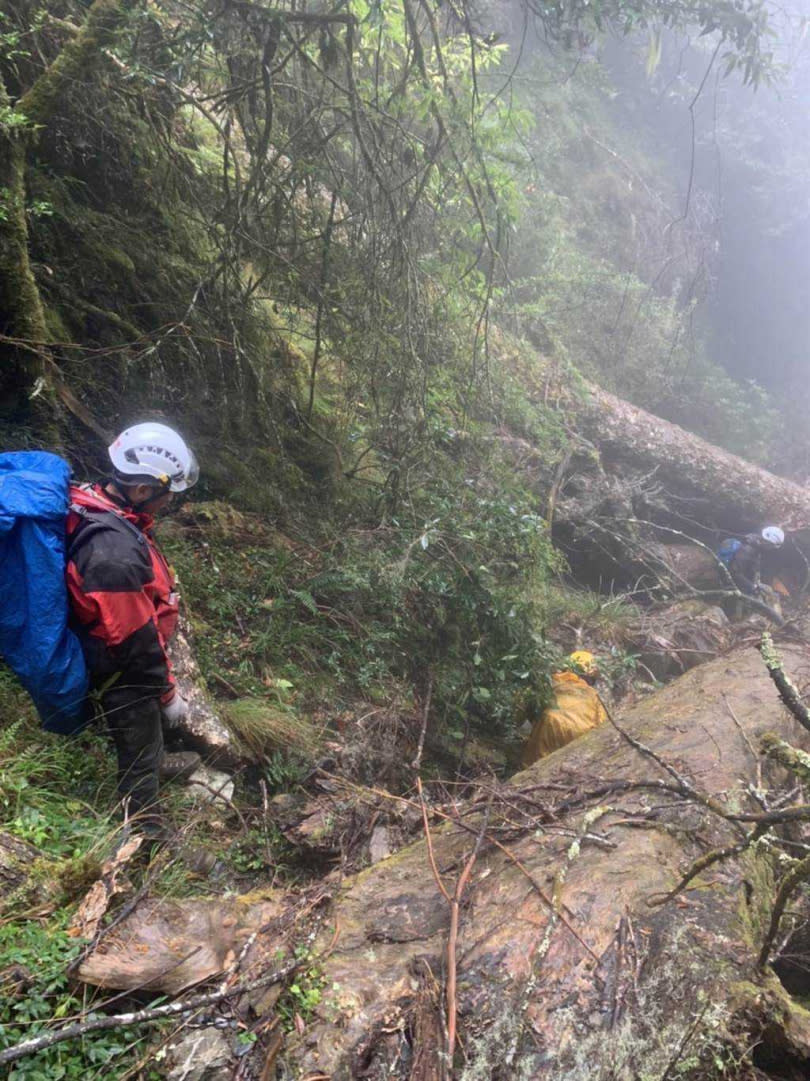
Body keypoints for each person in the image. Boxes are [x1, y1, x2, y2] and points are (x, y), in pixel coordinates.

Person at [66, 422, 200, 841]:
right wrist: (166, 694)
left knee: (146, 739)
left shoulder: (107, 508)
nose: (168, 503)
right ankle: (150, 843)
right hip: (124, 670)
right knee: (137, 751)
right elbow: (133, 639)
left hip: (119, 652)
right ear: (142, 490)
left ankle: (157, 758)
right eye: (166, 495)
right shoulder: (113, 556)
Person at [521, 651, 608, 768]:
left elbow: (528, 707)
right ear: (589, 677)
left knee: (535, 767)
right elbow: (603, 724)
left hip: (550, 724)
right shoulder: (592, 693)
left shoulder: (550, 682)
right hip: (581, 733)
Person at [725, 525, 784, 599]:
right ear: (767, 542)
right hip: (734, 586)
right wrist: (753, 587)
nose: (771, 549)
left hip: (747, 582)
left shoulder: (756, 545)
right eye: (772, 546)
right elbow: (734, 572)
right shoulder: (747, 550)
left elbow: (753, 568)